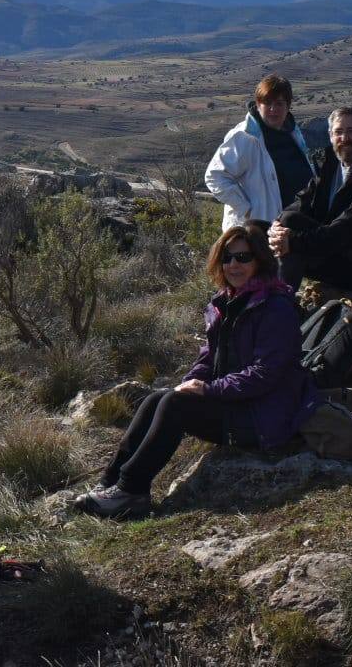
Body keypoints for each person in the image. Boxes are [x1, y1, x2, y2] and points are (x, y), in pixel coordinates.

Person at [74, 221, 321, 520]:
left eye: (243, 257)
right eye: (227, 257)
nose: (234, 265)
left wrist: (208, 390)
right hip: (238, 404)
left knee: (176, 405)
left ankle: (131, 492)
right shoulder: (228, 302)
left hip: (262, 418)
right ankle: (110, 483)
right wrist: (193, 380)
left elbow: (265, 374)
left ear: (260, 261)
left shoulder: (275, 307)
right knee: (159, 398)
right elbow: (210, 356)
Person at [269, 107, 352, 293]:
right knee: (255, 229)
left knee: (289, 231)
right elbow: (303, 200)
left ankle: (279, 305)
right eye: (338, 132)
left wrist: (293, 241)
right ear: (330, 136)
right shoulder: (331, 164)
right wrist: (276, 225)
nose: (344, 138)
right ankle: (256, 301)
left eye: (351, 131)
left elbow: (348, 229)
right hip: (329, 247)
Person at [204, 74, 315, 230]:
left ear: (288, 106)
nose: (273, 109)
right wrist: (246, 209)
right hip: (256, 231)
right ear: (257, 104)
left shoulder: (292, 132)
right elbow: (215, 176)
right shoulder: (245, 137)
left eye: (279, 103)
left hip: (292, 228)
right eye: (267, 103)